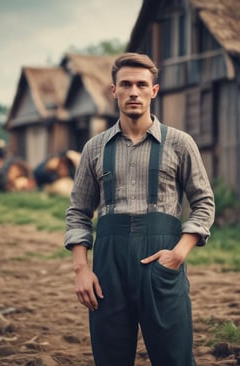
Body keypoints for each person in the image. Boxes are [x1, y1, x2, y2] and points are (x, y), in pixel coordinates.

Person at [65, 52, 215, 366]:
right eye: (126, 84)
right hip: (108, 267)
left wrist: (178, 254)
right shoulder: (95, 148)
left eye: (141, 84)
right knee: (111, 358)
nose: (134, 91)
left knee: (174, 357)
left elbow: (203, 203)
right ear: (113, 91)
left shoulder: (180, 143)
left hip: (162, 261)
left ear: (154, 91)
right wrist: (81, 268)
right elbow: (78, 211)